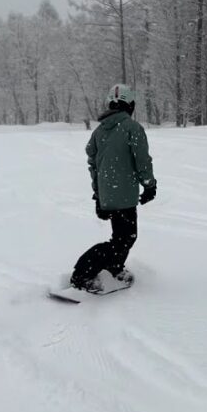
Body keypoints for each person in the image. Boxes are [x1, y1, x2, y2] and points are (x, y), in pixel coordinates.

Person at [69, 84, 156, 293]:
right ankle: (82, 273)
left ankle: (114, 268)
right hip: (124, 196)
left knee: (120, 236)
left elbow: (93, 164)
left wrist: (99, 194)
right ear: (130, 105)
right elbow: (142, 161)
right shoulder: (132, 128)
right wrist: (149, 185)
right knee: (125, 238)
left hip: (107, 195)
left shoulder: (99, 131)